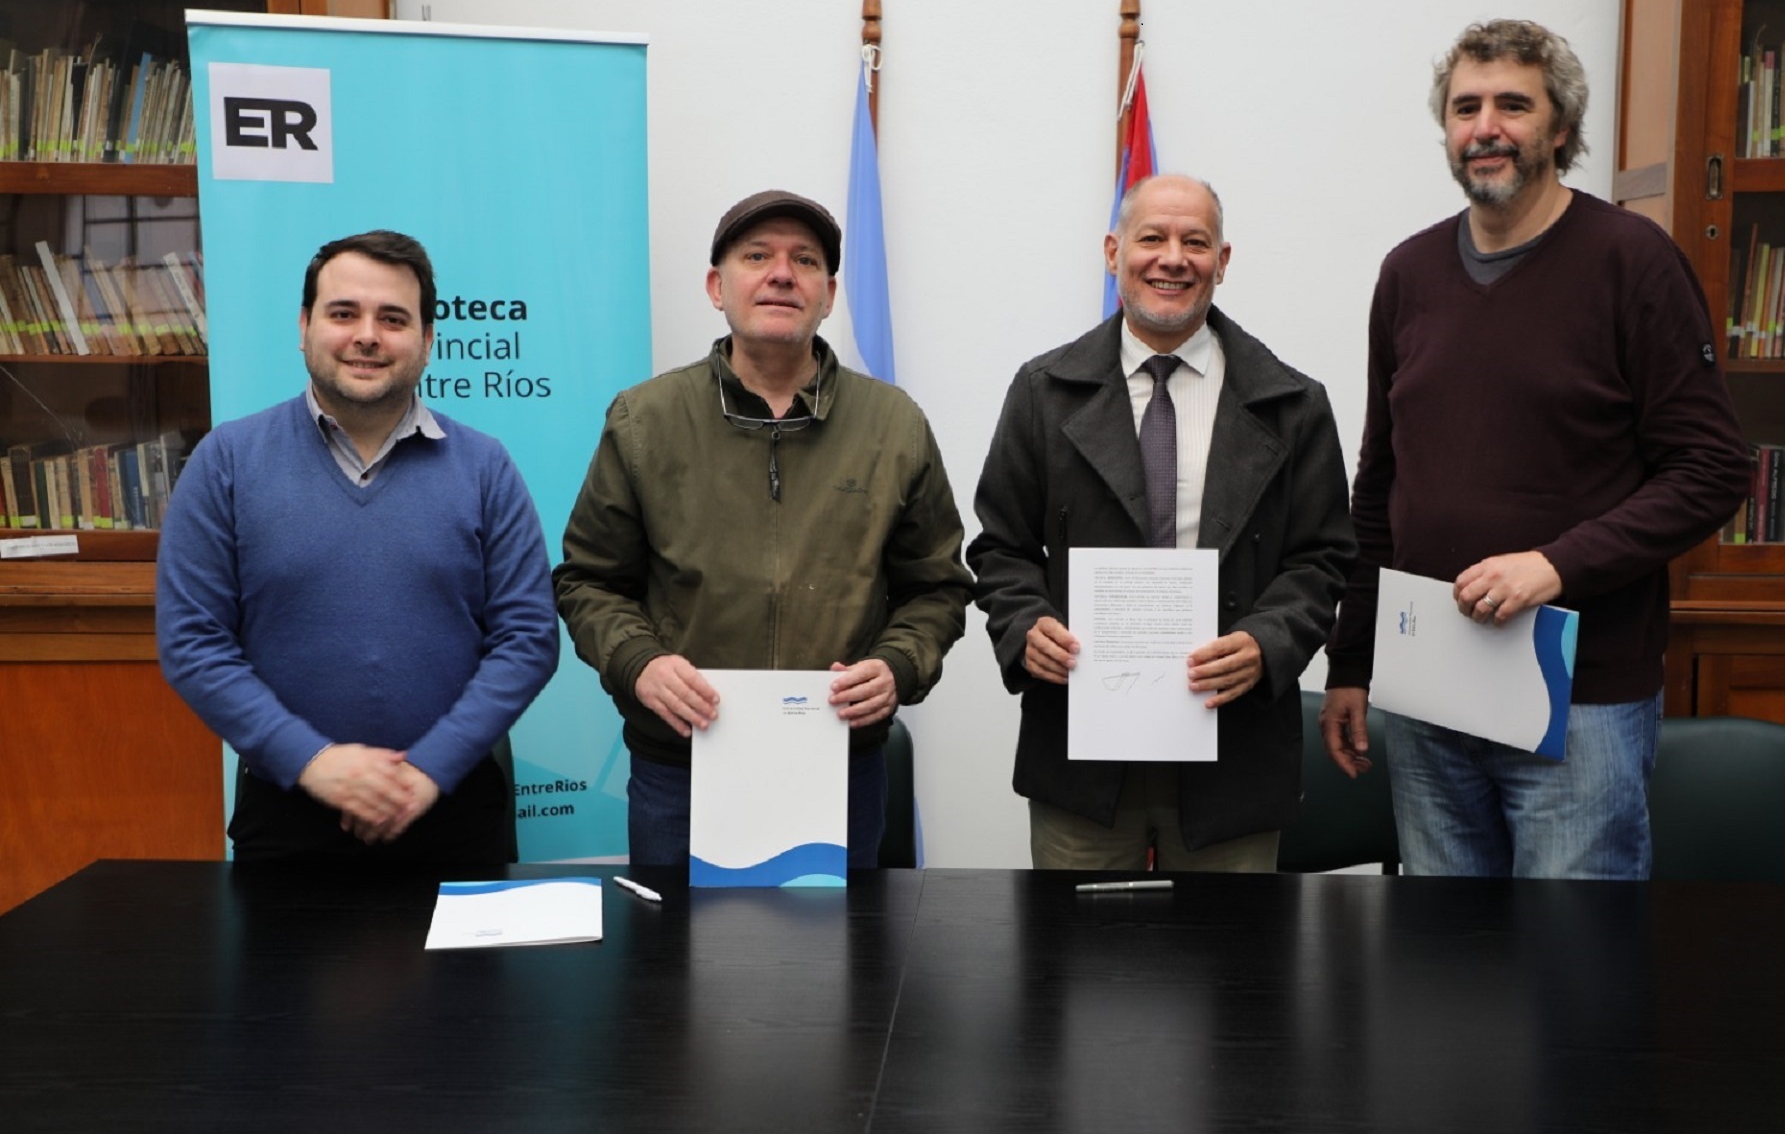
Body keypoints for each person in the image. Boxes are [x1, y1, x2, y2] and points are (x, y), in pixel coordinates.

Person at [1318, 20, 1750, 880]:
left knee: (1568, 973)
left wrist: (1556, 565)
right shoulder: (1408, 273)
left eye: (1514, 105)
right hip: (1430, 690)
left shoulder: (1632, 262)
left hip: (1577, 699)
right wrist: (1353, 661)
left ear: (1560, 128)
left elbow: (1713, 468)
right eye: (1465, 106)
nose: (1486, 126)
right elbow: (1382, 485)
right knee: (1447, 974)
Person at [552, 189, 970, 869]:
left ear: (829, 293)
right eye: (757, 256)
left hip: (837, 764)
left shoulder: (893, 425)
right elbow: (588, 581)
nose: (782, 274)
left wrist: (896, 667)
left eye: (804, 260)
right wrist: (641, 662)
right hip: (681, 766)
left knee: (833, 968)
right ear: (717, 286)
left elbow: (939, 588)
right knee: (676, 968)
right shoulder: (644, 418)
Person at [969, 173, 1356, 871]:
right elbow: (1001, 546)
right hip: (1083, 750)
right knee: (1081, 965)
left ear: (1223, 261)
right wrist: (1025, 626)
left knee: (1234, 970)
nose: (1172, 258)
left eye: (1194, 242)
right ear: (1114, 251)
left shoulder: (1293, 404)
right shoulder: (1042, 393)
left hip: (1233, 745)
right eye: (1152, 238)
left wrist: (1267, 643)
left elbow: (1323, 559)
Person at [157, 229, 560, 864]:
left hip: (454, 809)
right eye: (343, 313)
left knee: (467, 972)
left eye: (393, 318)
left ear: (427, 340)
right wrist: (312, 762)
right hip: (287, 811)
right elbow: (193, 641)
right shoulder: (227, 463)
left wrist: (425, 772)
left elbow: (529, 638)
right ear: (304, 325)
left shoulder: (485, 467)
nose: (367, 335)